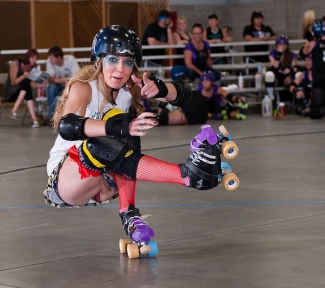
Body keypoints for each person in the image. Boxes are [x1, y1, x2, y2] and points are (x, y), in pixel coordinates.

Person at [44, 25, 226, 247]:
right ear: (99, 61)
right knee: (115, 129)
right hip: (70, 178)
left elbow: (186, 93)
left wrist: (159, 89)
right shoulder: (84, 88)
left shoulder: (129, 88)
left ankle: (128, 212)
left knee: (126, 130)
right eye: (113, 60)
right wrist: (119, 128)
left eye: (128, 62)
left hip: (105, 184)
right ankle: (186, 174)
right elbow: (67, 125)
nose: (120, 69)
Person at [157, 71, 247, 125]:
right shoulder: (198, 88)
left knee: (228, 109)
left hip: (215, 107)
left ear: (212, 82)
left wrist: (237, 99)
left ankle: (239, 114)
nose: (205, 83)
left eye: (207, 81)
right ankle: (222, 115)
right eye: (203, 81)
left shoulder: (216, 89)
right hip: (203, 110)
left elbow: (228, 96)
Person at [4, 48, 42, 128]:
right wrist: (23, 76)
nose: (34, 61)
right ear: (27, 57)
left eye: (35, 59)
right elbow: (13, 82)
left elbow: (32, 85)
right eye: (32, 58)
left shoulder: (33, 67)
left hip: (23, 92)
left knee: (27, 86)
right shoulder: (16, 64)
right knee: (25, 82)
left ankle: (15, 111)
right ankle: (33, 118)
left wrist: (40, 85)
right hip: (11, 92)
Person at [264, 35, 298, 110]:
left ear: (287, 45)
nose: (282, 46)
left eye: (284, 45)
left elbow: (295, 68)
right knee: (269, 75)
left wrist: (290, 70)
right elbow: (273, 68)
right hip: (276, 75)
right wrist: (279, 54)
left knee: (294, 77)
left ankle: (294, 101)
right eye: (280, 44)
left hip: (286, 77)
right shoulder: (272, 53)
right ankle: (271, 98)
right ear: (276, 45)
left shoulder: (291, 54)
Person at [46, 45, 80, 120]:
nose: (50, 60)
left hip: (70, 84)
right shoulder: (49, 62)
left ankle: (73, 114)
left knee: (75, 87)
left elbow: (76, 76)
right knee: (51, 88)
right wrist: (64, 79)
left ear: (59, 57)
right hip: (57, 86)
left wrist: (67, 81)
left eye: (52, 58)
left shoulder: (71, 59)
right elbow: (51, 78)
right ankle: (52, 116)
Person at [302, 20, 325, 119]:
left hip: (319, 77)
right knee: (315, 112)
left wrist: (312, 38)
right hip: (319, 77)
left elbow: (302, 52)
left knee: (315, 113)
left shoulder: (313, 44)